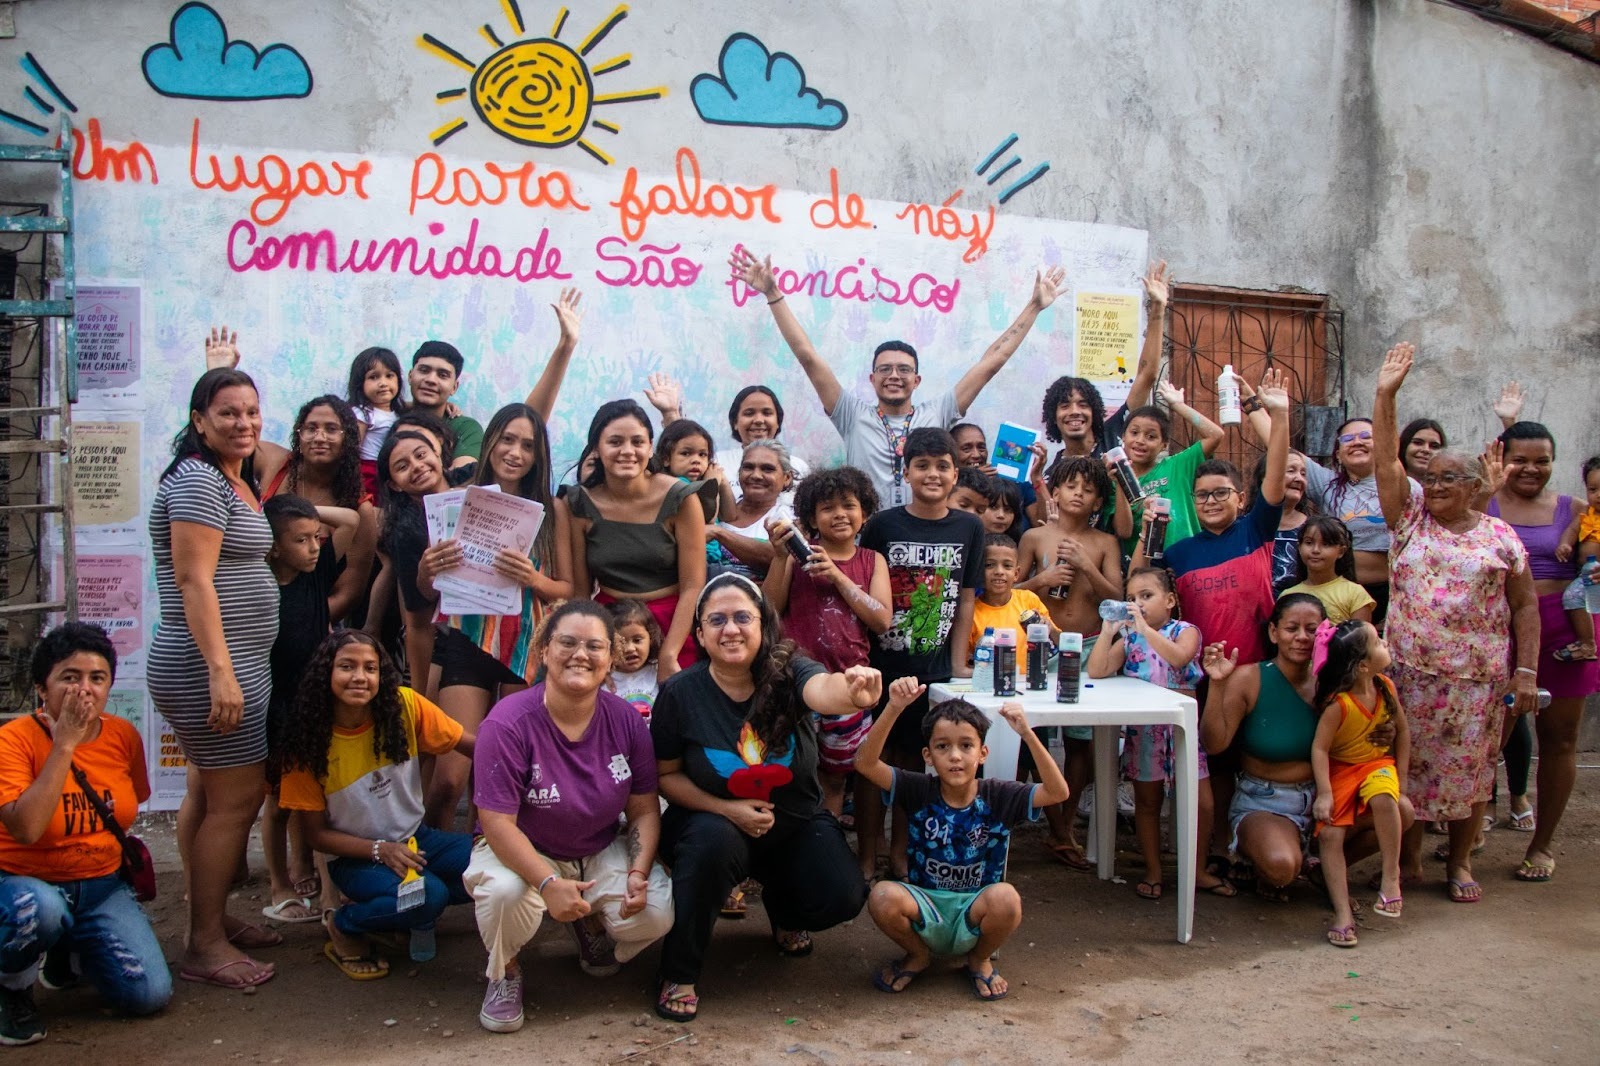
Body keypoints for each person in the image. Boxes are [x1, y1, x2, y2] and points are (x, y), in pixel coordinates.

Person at [651, 574, 878, 1022]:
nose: (730, 629)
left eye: (742, 617)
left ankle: (785, 912)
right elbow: (665, 777)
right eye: (716, 620)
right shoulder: (681, 693)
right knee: (712, 844)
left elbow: (823, 691)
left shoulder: (791, 671)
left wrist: (850, 690)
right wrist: (725, 808)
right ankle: (680, 971)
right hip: (711, 824)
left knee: (843, 895)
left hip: (792, 822)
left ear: (763, 625)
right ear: (699, 634)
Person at [1373, 345, 1538, 901]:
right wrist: (1386, 395)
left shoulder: (1500, 538)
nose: (1435, 486)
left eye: (1449, 479)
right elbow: (1385, 463)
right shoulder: (1410, 520)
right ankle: (1412, 858)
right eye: (1432, 477)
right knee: (1409, 767)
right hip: (1411, 675)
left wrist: (1527, 672)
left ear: (1475, 486)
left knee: (1472, 774)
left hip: (1477, 681)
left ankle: (1461, 862)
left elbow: (1525, 607)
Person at [464, 601, 673, 1034]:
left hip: (597, 847)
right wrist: (547, 883)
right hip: (523, 850)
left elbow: (643, 807)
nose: (581, 654)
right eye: (568, 642)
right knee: (504, 894)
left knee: (656, 912)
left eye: (595, 646)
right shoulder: (507, 724)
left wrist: (638, 870)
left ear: (610, 659)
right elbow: (497, 822)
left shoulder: (627, 722)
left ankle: (587, 921)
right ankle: (506, 971)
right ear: (543, 650)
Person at [731, 246, 1066, 507]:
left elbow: (990, 363)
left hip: (923, 534)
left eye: (904, 369)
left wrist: (1034, 306)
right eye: (885, 369)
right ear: (872, 379)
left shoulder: (937, 413)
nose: (894, 376)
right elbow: (808, 357)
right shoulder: (851, 415)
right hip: (866, 537)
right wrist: (773, 294)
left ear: (916, 380)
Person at [148, 367, 280, 989]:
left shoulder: (231, 476)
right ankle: (203, 943)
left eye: (252, 411)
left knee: (214, 796)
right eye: (228, 413)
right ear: (198, 421)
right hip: (212, 668)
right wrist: (222, 674)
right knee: (235, 802)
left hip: (228, 664)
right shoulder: (201, 480)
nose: (245, 423)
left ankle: (213, 919)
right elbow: (193, 579)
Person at [0, 624, 170, 1043]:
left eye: (97, 679)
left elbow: (128, 807)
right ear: (43, 687)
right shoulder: (13, 740)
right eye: (70, 677)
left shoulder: (122, 736)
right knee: (40, 909)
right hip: (25, 883)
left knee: (147, 994)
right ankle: (11, 988)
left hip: (99, 887)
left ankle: (67, 951)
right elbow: (26, 828)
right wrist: (64, 746)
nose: (84, 690)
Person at [276, 632, 475, 978]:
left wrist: (535, 764)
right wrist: (381, 850)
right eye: (347, 666)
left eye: (370, 668)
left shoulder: (405, 705)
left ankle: (402, 913)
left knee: (498, 863)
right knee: (429, 896)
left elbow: (470, 744)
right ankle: (346, 923)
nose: (360, 677)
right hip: (356, 860)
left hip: (418, 839)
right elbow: (316, 837)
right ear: (326, 672)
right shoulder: (306, 743)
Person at [858, 679, 1068, 1001]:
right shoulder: (919, 789)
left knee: (1007, 899)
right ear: (928, 755)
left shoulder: (999, 795)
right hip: (924, 909)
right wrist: (894, 707)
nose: (955, 756)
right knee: (882, 895)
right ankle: (918, 954)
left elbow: (1058, 792)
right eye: (943, 746)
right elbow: (865, 764)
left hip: (976, 912)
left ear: (982, 753)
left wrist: (1027, 733)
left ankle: (979, 958)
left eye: (966, 746)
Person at [418, 402, 575, 830]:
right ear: (490, 443)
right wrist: (427, 568)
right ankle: (429, 869)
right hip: (466, 640)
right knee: (449, 778)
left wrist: (534, 578)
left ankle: (485, 871)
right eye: (507, 439)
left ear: (538, 457)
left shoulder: (551, 508)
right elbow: (426, 590)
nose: (515, 453)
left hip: (524, 646)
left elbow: (569, 588)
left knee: (502, 775)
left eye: (528, 445)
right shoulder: (458, 498)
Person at [857, 429, 986, 879]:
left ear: (955, 473)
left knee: (914, 766)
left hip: (932, 671)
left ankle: (900, 854)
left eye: (942, 466)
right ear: (906, 471)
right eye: (923, 465)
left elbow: (966, 598)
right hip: (880, 666)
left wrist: (955, 665)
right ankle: (864, 858)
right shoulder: (882, 525)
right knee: (873, 765)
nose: (933, 474)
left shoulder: (969, 527)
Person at [1486, 419, 1598, 884]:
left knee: (1561, 740)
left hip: (1564, 630)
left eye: (1543, 461)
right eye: (1520, 460)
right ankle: (1469, 835)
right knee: (1486, 737)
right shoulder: (1484, 503)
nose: (1532, 469)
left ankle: (1542, 844)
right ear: (1501, 459)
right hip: (1495, 629)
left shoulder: (1574, 507)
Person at [1086, 568, 1232, 899]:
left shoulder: (1186, 631)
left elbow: (1179, 658)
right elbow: (1097, 670)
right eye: (1132, 598)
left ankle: (1194, 870)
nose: (1138, 604)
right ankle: (1153, 870)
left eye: (1146, 596)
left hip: (1182, 733)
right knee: (1148, 803)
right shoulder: (1131, 638)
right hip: (1146, 734)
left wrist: (1142, 628)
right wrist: (1110, 631)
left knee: (1202, 803)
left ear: (1170, 601)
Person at [764, 466, 892, 828]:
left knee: (836, 776)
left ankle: (828, 835)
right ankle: (791, 839)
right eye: (827, 508)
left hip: (851, 686)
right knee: (789, 770)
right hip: (795, 684)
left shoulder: (872, 561)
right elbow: (768, 611)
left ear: (864, 513)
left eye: (849, 505)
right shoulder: (794, 557)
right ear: (810, 518)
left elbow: (881, 620)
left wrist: (837, 576)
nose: (839, 514)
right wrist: (777, 557)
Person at [1141, 370, 1291, 666]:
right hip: (1197, 675)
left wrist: (1275, 413)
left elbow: (1276, 468)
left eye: (1221, 493)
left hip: (1257, 670)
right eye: (1202, 495)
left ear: (1242, 498)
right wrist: (1147, 533)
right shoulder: (1178, 553)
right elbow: (1139, 583)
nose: (1211, 502)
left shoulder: (1256, 530)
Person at [1239, 377, 1413, 624]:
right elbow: (1280, 448)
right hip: (1339, 595)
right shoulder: (1328, 484)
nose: (1357, 442)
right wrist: (1252, 404)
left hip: (1395, 591)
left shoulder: (1403, 483)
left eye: (1366, 436)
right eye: (1347, 439)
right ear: (1338, 453)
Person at [1199, 595, 1339, 902]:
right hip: (1264, 801)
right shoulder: (1250, 678)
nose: (1302, 637)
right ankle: (1293, 864)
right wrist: (1218, 685)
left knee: (1399, 812)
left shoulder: (1333, 681)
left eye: (1311, 629)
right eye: (1292, 628)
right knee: (1281, 867)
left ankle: (1319, 863)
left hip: (1325, 800)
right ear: (1274, 633)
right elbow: (1214, 743)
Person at [260, 494, 357, 925]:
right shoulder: (258, 583)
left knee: (316, 798)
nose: (314, 547)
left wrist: (307, 514)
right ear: (273, 546)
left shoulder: (315, 576)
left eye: (316, 537)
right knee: (278, 804)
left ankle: (329, 890)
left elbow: (351, 520)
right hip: (273, 703)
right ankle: (279, 885)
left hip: (314, 699)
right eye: (301, 540)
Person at [567, 400, 708, 679]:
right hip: (608, 625)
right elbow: (581, 593)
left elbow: (693, 585)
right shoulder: (579, 504)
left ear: (650, 446)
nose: (627, 451)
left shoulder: (682, 498)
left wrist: (669, 653)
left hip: (674, 623)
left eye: (637, 442)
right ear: (596, 447)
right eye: (615, 442)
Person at [1310, 620, 1415, 947]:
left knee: (1387, 798)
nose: (1386, 643)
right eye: (1379, 642)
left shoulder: (1386, 687)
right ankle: (1343, 913)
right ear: (1363, 666)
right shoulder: (1337, 705)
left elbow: (1404, 733)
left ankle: (1391, 876)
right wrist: (1325, 794)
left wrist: (1403, 777)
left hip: (1376, 765)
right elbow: (1320, 748)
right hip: (1341, 771)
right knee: (1329, 833)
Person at [1037, 261, 1171, 462]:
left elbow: (1147, 375)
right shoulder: (1052, 472)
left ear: (1095, 411)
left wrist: (1158, 307)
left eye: (1083, 404)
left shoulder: (1116, 434)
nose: (1075, 412)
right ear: (1053, 417)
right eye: (1065, 405)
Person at [373, 430, 453, 692]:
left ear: (437, 454)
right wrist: (419, 695)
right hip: (449, 640)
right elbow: (418, 620)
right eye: (402, 466)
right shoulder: (406, 533)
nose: (417, 466)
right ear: (395, 484)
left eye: (421, 455)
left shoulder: (476, 485)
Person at [1115, 381, 1228, 556]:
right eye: (1134, 433)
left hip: (1189, 562)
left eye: (1151, 436)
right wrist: (1121, 482)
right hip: (1147, 569)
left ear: (1164, 445)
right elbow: (1123, 532)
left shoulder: (1177, 466)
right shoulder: (1114, 482)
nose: (1140, 440)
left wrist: (1178, 405)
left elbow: (1216, 435)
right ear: (1123, 436)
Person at [969, 534, 1060, 673]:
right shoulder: (971, 612)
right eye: (989, 565)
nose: (999, 572)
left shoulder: (1029, 600)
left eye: (1007, 566)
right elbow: (965, 662)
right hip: (990, 685)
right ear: (978, 571)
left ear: (1016, 573)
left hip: (1029, 683)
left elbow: (1061, 644)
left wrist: (1050, 629)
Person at [707, 440, 797, 579]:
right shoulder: (719, 507)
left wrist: (718, 532)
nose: (756, 475)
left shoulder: (790, 517)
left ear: (787, 478)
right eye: (748, 467)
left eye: (767, 469)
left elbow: (776, 556)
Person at [1280, 515, 1376, 623]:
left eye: (1326, 544)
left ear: (1341, 551)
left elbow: (1362, 638)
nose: (1315, 550)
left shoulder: (1355, 594)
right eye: (1309, 543)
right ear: (1299, 547)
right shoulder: (1288, 595)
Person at [1551, 454, 1600, 662]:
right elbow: (1572, 531)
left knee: (1572, 597)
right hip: (1585, 572)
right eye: (1593, 489)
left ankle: (1588, 643)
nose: (1599, 495)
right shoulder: (1586, 514)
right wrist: (1565, 544)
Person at [407, 341, 483, 469]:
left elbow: (460, 478)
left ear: (454, 387)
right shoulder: (389, 417)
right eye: (424, 370)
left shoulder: (465, 428)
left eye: (443, 375)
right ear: (410, 376)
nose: (431, 380)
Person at [348, 346, 408, 498]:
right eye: (374, 377)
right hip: (368, 471)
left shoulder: (398, 412)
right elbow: (352, 450)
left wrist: (447, 404)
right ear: (360, 383)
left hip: (390, 472)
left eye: (389, 376)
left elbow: (415, 404)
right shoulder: (363, 413)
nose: (383, 383)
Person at [1256, 450, 1311, 596]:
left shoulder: (1313, 529)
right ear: (1265, 478)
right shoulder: (1244, 528)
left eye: (1303, 474)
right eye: (1291, 471)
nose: (1299, 478)